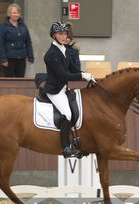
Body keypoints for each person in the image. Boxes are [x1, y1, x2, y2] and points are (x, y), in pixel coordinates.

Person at [44, 21, 94, 158]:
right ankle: (65, 148)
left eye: (65, 33)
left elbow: (73, 69)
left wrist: (86, 75)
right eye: (60, 33)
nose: (63, 36)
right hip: (55, 90)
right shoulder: (52, 54)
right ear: (54, 35)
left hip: (63, 88)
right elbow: (63, 75)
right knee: (67, 113)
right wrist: (82, 75)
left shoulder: (63, 49)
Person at [0, 4, 34, 77]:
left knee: (20, 81)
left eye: (18, 13)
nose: (16, 15)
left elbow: (28, 42)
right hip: (9, 58)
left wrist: (30, 57)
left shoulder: (23, 26)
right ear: (9, 14)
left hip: (21, 58)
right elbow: (0, 44)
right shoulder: (3, 27)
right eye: (14, 13)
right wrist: (3, 59)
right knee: (9, 82)